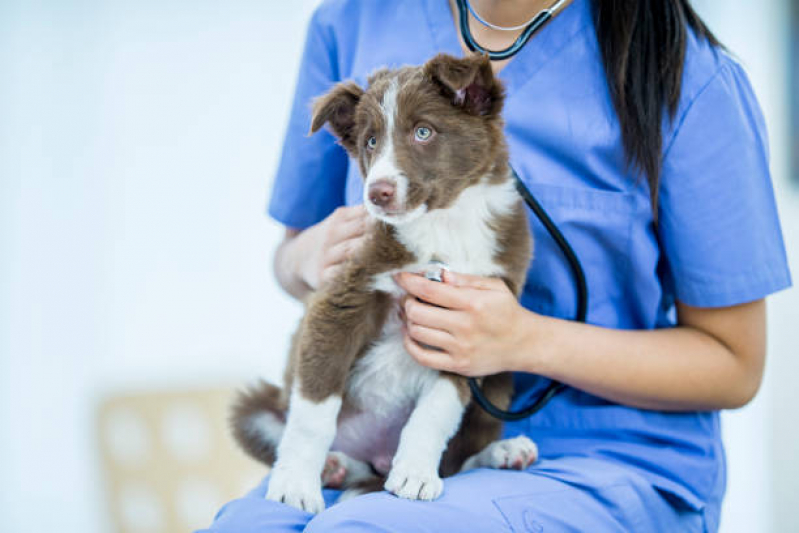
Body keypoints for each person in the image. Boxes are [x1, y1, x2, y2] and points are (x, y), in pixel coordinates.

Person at [200, 0, 792, 531]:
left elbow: (734, 364)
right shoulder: (353, 20)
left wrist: (522, 340)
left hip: (604, 457)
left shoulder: (687, 73)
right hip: (375, 430)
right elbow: (294, 257)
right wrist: (306, 258)